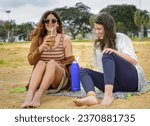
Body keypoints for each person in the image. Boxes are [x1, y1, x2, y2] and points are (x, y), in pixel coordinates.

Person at [73, 12, 145, 107]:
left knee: (107, 53)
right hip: (114, 84)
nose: (97, 32)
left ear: (108, 28)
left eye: (100, 29)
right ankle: (91, 97)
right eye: (96, 29)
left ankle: (108, 96)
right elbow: (102, 70)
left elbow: (133, 61)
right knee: (83, 71)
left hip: (132, 81)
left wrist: (114, 52)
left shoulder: (121, 38)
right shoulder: (97, 45)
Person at [21, 10, 75, 108]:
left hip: (59, 78)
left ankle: (38, 95)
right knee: (41, 63)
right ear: (44, 23)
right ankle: (29, 96)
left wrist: (74, 82)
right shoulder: (38, 38)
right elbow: (31, 61)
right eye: (47, 21)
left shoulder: (65, 39)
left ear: (57, 24)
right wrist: (42, 47)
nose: (50, 23)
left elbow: (70, 61)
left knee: (51, 63)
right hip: (43, 78)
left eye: (53, 21)